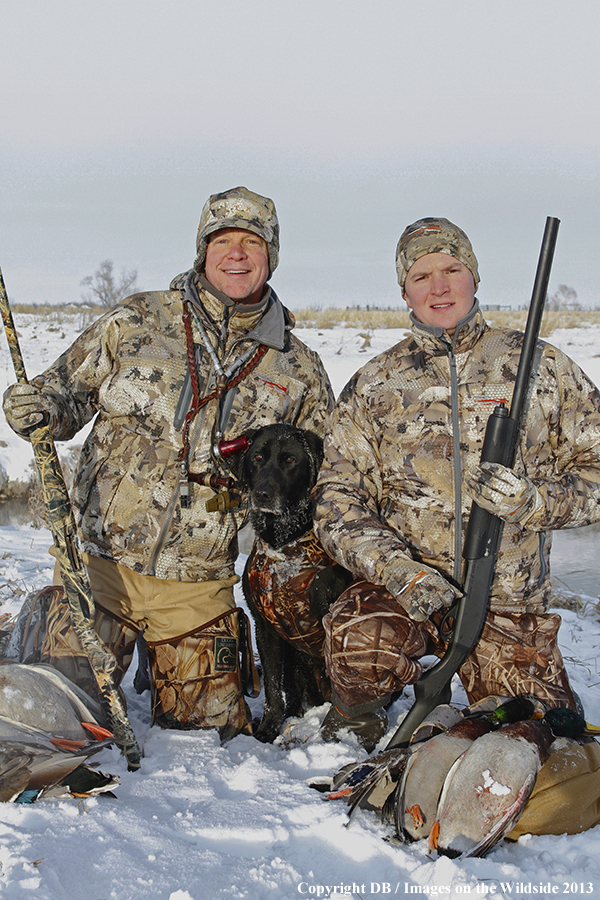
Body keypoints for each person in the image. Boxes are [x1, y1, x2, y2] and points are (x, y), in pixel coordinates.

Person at [3, 186, 334, 739]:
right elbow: (64, 396)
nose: (236, 253)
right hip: (97, 569)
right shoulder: (137, 319)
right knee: (52, 719)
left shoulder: (298, 367)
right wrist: (37, 408)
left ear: (270, 255)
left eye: (251, 242)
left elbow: (329, 476)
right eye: (222, 240)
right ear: (202, 249)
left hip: (198, 586)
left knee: (209, 738)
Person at [312, 217, 600, 753]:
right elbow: (336, 501)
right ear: (404, 291)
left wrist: (539, 502)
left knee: (541, 735)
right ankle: (357, 717)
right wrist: (401, 573)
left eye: (452, 269)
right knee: (362, 640)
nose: (439, 287)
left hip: (508, 597)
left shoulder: (540, 366)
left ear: (475, 278)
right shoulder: (376, 382)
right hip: (406, 592)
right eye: (422, 276)